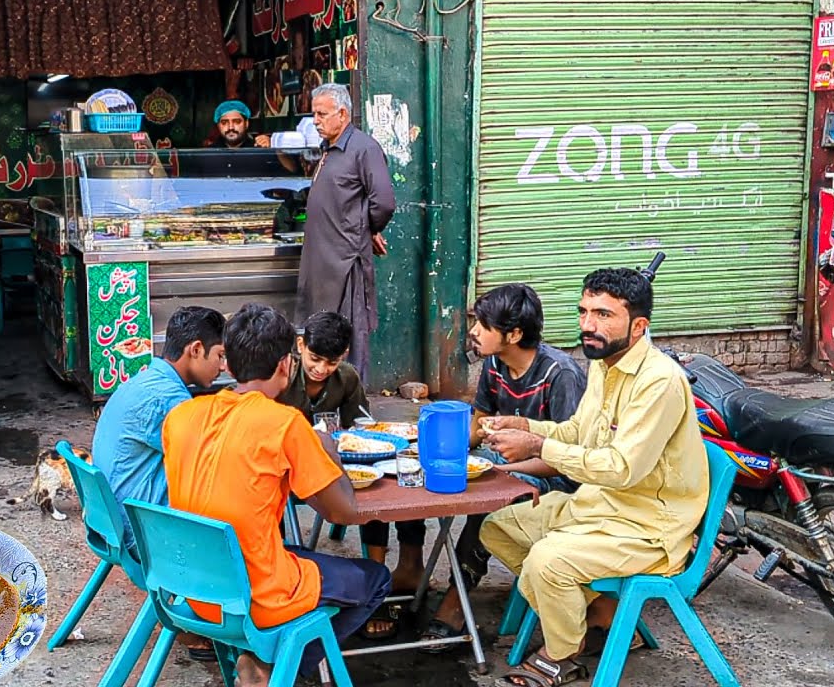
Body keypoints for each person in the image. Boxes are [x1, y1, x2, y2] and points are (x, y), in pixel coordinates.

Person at [478, 268, 709, 686]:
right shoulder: (603, 364)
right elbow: (579, 434)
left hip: (648, 527)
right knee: (498, 528)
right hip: (600, 506)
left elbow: (621, 468)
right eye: (584, 311)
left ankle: (563, 654)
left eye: (604, 315)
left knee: (547, 563)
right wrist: (527, 427)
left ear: (638, 326)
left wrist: (537, 448)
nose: (588, 325)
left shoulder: (659, 382)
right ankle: (596, 615)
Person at [163, 303, 390, 686]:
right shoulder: (286, 424)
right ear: (287, 364)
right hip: (254, 594)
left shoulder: (181, 417)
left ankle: (263, 657)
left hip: (189, 584)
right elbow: (342, 513)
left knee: (292, 553)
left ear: (229, 366)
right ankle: (279, 666)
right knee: (375, 579)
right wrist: (329, 450)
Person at [418, 283, 586, 652]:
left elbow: (571, 461)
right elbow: (478, 422)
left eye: (484, 325)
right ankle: (416, 576)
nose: (474, 332)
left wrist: (508, 470)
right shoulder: (495, 364)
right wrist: (433, 448)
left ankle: (455, 602)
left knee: (491, 497)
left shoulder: (560, 375)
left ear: (513, 334)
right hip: (507, 466)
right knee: (428, 477)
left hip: (558, 481)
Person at [90, 306, 226, 662]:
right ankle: (207, 620)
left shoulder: (145, 380)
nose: (223, 367)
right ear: (195, 349)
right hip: (144, 537)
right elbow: (209, 463)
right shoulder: (170, 400)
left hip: (111, 522)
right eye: (220, 356)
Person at [275, 311, 409, 640]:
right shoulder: (281, 376)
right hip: (286, 470)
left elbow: (362, 431)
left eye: (331, 362)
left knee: (375, 487)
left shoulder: (347, 378)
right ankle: (279, 576)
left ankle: (377, 573)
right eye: (315, 359)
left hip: (329, 467)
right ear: (300, 345)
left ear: (344, 357)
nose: (321, 369)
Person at [297, 83, 396, 381]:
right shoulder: (329, 148)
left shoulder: (363, 148)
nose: (316, 120)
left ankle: (353, 399)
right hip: (321, 260)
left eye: (321, 114)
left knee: (349, 334)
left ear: (342, 114)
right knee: (322, 329)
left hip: (345, 261)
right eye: (314, 113)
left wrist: (366, 230)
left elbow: (385, 202)